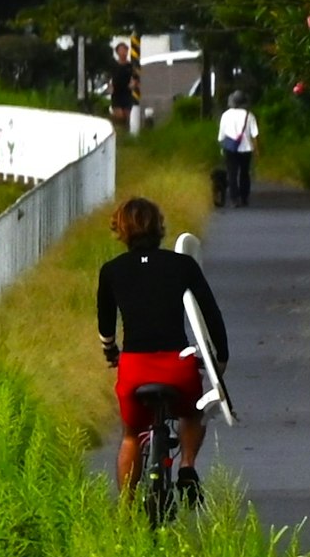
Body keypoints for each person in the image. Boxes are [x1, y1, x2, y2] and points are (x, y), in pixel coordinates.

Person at [97, 197, 228, 501]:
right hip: (177, 366)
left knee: (130, 435)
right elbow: (210, 313)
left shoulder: (112, 271)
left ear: (122, 230)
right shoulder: (182, 265)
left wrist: (111, 351)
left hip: (134, 369)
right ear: (159, 227)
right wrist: (219, 358)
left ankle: (127, 512)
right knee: (193, 413)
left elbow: (106, 324)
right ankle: (186, 465)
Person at [216, 93, 262, 209]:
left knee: (232, 173)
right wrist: (257, 150)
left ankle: (234, 199)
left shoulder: (225, 115)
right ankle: (244, 198)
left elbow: (221, 136)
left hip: (230, 148)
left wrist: (222, 147)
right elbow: (255, 134)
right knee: (245, 173)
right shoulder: (249, 115)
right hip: (246, 149)